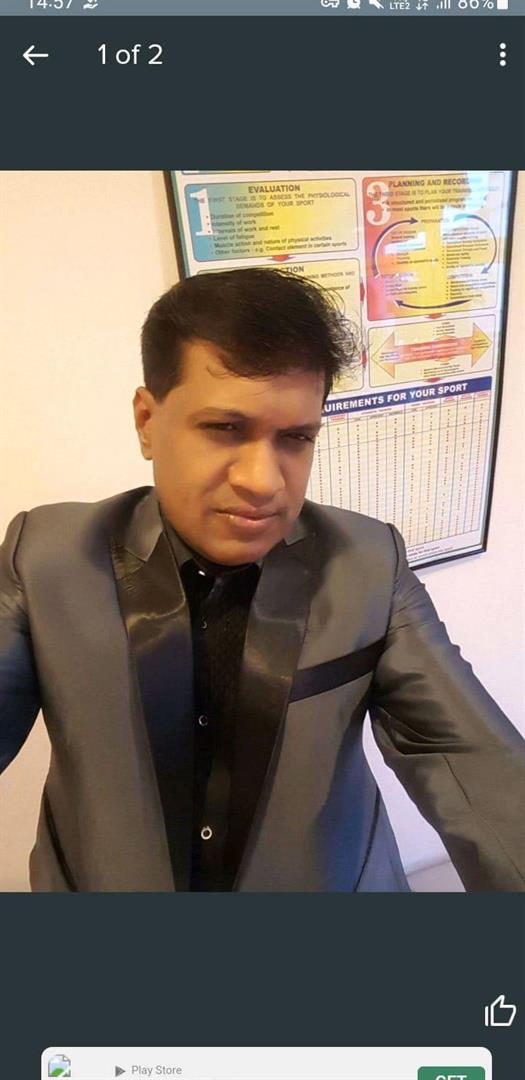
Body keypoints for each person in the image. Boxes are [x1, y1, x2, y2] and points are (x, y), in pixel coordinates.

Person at [1, 268, 524, 893]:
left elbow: (474, 758)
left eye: (295, 438)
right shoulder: (47, 557)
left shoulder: (366, 563)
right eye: (225, 429)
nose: (263, 481)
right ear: (146, 420)